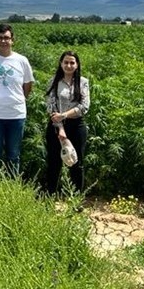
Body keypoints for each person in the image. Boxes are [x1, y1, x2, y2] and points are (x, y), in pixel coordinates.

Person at [0, 23, 34, 175]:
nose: (3, 41)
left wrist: (19, 99)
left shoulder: (21, 61)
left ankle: (12, 186)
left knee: (13, 155)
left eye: (6, 38)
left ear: (12, 40)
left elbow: (28, 84)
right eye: (0, 38)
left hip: (16, 114)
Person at [45, 50, 90, 195]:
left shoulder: (83, 82)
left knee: (76, 164)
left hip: (77, 126)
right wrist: (60, 129)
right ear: (61, 64)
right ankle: (49, 199)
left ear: (77, 65)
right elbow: (51, 107)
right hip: (55, 127)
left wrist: (64, 115)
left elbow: (84, 107)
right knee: (54, 163)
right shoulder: (53, 82)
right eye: (66, 62)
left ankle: (77, 202)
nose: (69, 65)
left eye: (72, 62)